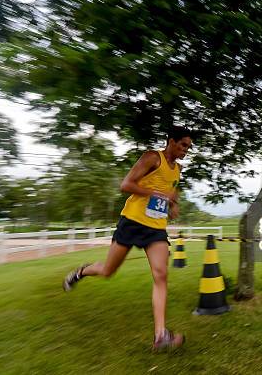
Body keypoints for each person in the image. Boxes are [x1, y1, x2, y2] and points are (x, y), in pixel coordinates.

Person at [62, 126, 193, 351]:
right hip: (132, 222)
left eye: (188, 148)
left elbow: (171, 194)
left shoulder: (177, 170)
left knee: (161, 274)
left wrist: (173, 205)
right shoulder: (153, 157)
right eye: (183, 145)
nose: (185, 151)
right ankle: (81, 272)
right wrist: (161, 195)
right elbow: (126, 185)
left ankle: (160, 335)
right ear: (171, 141)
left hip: (155, 228)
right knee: (108, 271)